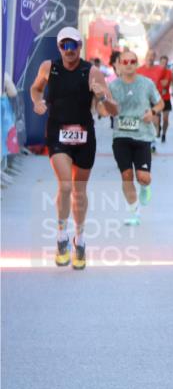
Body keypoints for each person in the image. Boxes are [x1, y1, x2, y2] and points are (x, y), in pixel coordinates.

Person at [29, 26, 119, 269]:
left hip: (84, 136)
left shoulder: (92, 73)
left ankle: (80, 238)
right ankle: (61, 235)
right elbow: (35, 88)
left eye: (74, 45)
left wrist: (103, 98)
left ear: (80, 46)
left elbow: (113, 111)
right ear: (59, 48)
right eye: (64, 46)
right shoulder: (49, 67)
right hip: (58, 132)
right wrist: (37, 102)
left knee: (79, 190)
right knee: (65, 185)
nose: (69, 51)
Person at [107, 49, 162, 226]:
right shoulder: (113, 86)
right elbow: (102, 110)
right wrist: (103, 102)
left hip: (143, 135)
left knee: (143, 177)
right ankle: (134, 212)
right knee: (126, 175)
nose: (129, 65)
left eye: (132, 62)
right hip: (121, 136)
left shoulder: (146, 84)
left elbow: (160, 103)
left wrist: (152, 112)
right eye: (125, 62)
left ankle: (145, 187)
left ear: (137, 64)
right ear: (118, 65)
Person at [137, 51, 172, 145]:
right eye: (148, 55)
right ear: (145, 57)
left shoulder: (160, 69)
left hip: (155, 99)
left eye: (152, 56)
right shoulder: (139, 70)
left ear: (155, 58)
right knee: (146, 121)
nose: (150, 57)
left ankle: (153, 139)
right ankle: (148, 139)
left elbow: (166, 79)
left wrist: (163, 86)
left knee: (155, 120)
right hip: (143, 99)